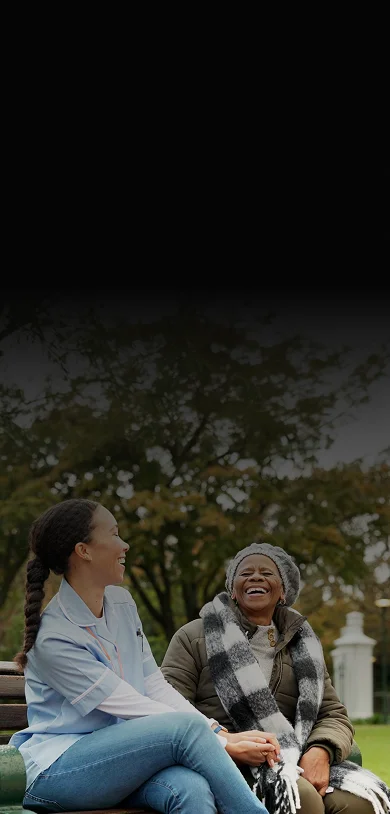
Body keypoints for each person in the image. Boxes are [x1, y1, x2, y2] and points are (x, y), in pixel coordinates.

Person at [10, 500, 278, 814]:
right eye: (114, 535)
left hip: (119, 761)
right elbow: (133, 705)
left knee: (191, 790)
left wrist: (217, 732)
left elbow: (154, 685)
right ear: (84, 551)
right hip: (56, 771)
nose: (124, 545)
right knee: (184, 730)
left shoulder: (122, 604)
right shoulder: (54, 636)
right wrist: (224, 742)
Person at [161, 543, 390, 814]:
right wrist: (225, 742)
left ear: (283, 591)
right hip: (222, 759)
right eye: (245, 573)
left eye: (267, 573)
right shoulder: (193, 637)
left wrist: (321, 750)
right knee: (300, 798)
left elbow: (333, 714)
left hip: (295, 757)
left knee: (360, 803)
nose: (256, 577)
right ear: (233, 590)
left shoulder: (305, 644)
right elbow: (168, 706)